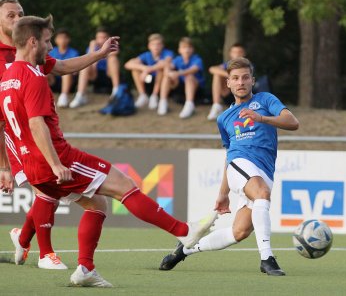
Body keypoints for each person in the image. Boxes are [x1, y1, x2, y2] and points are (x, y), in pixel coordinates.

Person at [0, 15, 216, 287]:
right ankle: (184, 231)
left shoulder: (7, 77)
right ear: (32, 41)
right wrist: (56, 164)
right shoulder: (34, 77)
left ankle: (85, 269)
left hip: (31, 166)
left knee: (97, 204)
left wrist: (100, 54)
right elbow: (35, 123)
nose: (51, 46)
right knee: (123, 185)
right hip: (56, 158)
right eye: (46, 41)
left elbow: (7, 123)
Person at [0, 0, 128, 271]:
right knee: (46, 190)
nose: (17, 18)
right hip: (16, 138)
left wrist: (99, 54)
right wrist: (4, 166)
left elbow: (62, 67)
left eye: (20, 14)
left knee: (58, 194)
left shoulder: (30, 46)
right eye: (10, 15)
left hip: (40, 134)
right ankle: (46, 253)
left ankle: (23, 239)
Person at [159, 57, 299, 276]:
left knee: (239, 232)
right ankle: (267, 259)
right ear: (228, 84)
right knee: (262, 193)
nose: (240, 82)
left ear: (252, 81)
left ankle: (186, 249)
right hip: (240, 163)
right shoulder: (224, 118)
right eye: (235, 78)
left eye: (245, 77)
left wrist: (261, 118)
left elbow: (293, 122)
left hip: (263, 170)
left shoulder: (266, 99)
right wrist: (222, 191)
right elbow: (229, 154)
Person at [68, 26, 121, 108]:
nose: (101, 39)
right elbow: (89, 59)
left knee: (113, 59)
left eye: (104, 37)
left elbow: (115, 53)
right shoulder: (92, 47)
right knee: (85, 65)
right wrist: (92, 47)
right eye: (99, 37)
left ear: (108, 38)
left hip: (108, 74)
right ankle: (80, 95)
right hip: (95, 75)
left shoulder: (112, 46)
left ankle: (116, 92)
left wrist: (103, 51)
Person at [157, 37, 204, 118]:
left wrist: (177, 73)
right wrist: (168, 70)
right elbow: (169, 66)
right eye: (184, 47)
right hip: (181, 87)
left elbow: (193, 70)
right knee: (167, 77)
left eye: (189, 47)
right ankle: (163, 101)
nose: (187, 50)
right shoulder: (178, 59)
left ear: (192, 49)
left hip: (196, 88)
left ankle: (189, 105)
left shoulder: (197, 59)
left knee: (189, 76)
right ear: (179, 50)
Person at [124, 33, 174, 109]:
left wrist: (148, 70)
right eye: (153, 44)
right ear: (149, 46)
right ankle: (143, 95)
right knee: (135, 70)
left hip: (162, 82)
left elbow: (166, 63)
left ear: (162, 45)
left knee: (161, 69)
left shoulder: (168, 53)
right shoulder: (146, 55)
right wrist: (144, 68)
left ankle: (154, 96)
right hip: (148, 80)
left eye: (158, 44)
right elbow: (127, 64)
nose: (156, 47)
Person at [206, 43, 246, 120]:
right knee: (217, 75)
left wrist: (233, 76)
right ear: (230, 54)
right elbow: (212, 69)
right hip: (229, 94)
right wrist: (229, 75)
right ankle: (216, 105)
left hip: (243, 97)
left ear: (244, 53)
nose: (237, 54)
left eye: (239, 52)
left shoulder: (247, 65)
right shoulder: (228, 64)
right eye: (234, 52)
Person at [47, 28, 78, 107]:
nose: (63, 40)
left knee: (66, 71)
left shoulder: (74, 52)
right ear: (56, 40)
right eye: (60, 38)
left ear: (68, 39)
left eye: (65, 37)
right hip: (54, 80)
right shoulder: (51, 52)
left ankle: (64, 96)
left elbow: (75, 71)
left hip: (69, 82)